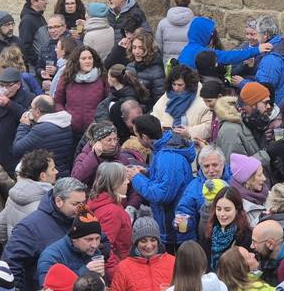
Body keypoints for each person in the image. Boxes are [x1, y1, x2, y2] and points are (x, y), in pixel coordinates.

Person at [2, 177, 87, 291]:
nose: (81, 209)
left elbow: (102, 242)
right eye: (75, 204)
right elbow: (11, 266)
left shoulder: (82, 219)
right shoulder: (29, 228)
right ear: (59, 201)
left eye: (83, 203)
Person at [130, 115, 196, 251]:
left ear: (145, 137)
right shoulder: (164, 149)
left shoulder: (168, 157)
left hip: (175, 231)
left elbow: (163, 195)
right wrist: (147, 172)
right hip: (171, 226)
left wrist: (136, 178)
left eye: (137, 135)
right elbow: (168, 178)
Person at [0, 149, 56, 243]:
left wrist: (10, 247)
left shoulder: (13, 195)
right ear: (43, 176)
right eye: (53, 169)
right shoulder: (46, 204)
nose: (56, 171)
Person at [37, 213, 112, 285]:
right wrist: (84, 272)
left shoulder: (94, 251)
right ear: (74, 239)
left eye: (98, 238)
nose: (95, 245)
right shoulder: (51, 255)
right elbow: (48, 288)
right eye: (89, 239)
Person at [86, 162, 133, 261]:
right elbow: (105, 248)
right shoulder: (112, 212)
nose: (128, 182)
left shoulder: (100, 201)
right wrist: (117, 271)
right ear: (115, 183)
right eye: (124, 179)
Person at [200, 186, 254, 272]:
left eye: (227, 210)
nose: (222, 214)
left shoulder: (245, 235)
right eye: (218, 209)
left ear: (237, 210)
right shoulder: (209, 230)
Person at [155, 0, 195, 66]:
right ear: (189, 2)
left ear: (174, 2)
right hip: (189, 64)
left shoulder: (162, 23)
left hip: (169, 65)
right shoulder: (196, 23)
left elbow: (159, 48)